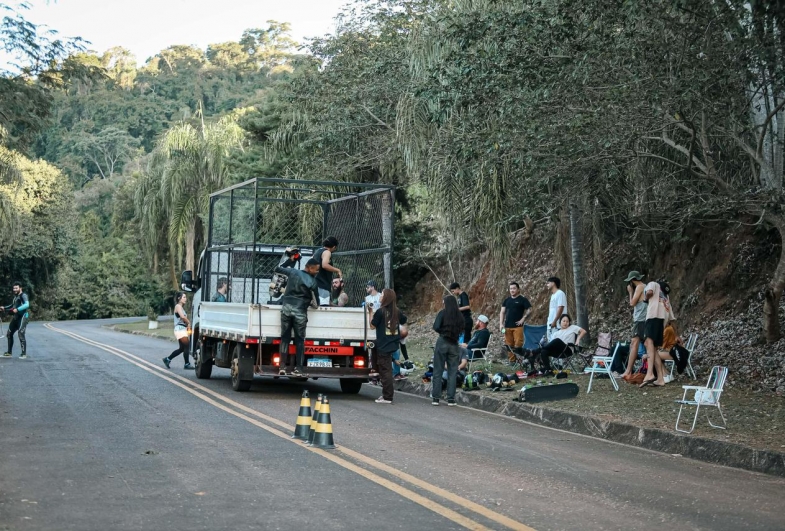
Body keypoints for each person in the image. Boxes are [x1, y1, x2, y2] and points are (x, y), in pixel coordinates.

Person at [275, 249, 320, 376]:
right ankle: (298, 369)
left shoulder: (292, 272)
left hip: (286, 309)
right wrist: (310, 302)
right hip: (300, 312)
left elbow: (278, 268)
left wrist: (290, 260)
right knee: (300, 341)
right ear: (309, 268)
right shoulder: (313, 282)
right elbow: (316, 304)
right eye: (316, 270)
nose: (317, 272)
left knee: (285, 338)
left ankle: (282, 367)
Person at [368, 288, 407, 404]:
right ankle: (385, 393)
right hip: (393, 343)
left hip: (383, 344)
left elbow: (372, 326)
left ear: (386, 298)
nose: (380, 296)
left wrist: (370, 312)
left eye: (382, 295)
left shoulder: (380, 312)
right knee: (386, 368)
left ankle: (387, 397)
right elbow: (404, 320)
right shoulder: (397, 311)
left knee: (385, 371)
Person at [640, 279, 675, 387]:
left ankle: (650, 373)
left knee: (648, 342)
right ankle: (660, 378)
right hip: (662, 322)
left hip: (653, 317)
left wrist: (646, 299)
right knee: (653, 348)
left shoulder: (653, 284)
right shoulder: (666, 299)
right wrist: (677, 335)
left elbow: (649, 292)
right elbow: (672, 319)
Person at [431, 295, 464, 406]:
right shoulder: (459, 315)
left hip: (443, 341)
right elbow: (462, 328)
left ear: (446, 303)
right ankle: (451, 399)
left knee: (438, 370)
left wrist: (443, 331)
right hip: (454, 344)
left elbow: (435, 326)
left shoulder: (442, 313)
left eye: (443, 302)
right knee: (452, 371)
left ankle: (436, 397)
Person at [621, 271, 647, 378]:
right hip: (644, 319)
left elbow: (632, 303)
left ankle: (628, 371)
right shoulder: (645, 286)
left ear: (632, 280)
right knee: (642, 344)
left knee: (634, 344)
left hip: (640, 320)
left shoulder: (640, 287)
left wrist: (630, 292)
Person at [499, 282, 531, 363]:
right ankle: (512, 361)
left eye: (514, 288)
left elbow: (530, 309)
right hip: (507, 326)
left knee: (518, 344)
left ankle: (521, 360)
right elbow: (502, 312)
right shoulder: (507, 300)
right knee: (509, 345)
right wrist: (501, 324)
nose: (512, 290)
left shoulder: (523, 299)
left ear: (518, 289)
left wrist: (523, 318)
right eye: (511, 288)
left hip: (518, 326)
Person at [162, 292, 193, 369]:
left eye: (185, 297)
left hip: (181, 329)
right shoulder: (178, 306)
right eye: (184, 297)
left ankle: (167, 359)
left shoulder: (181, 307)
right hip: (179, 329)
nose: (185, 299)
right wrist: (189, 322)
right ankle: (187, 364)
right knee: (187, 345)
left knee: (182, 348)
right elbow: (182, 317)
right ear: (179, 298)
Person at [1, 281, 30, 359]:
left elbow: (27, 305)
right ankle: (9, 352)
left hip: (23, 317)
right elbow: (12, 306)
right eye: (14, 288)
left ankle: (23, 354)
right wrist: (4, 308)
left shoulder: (23, 295)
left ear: (20, 288)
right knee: (9, 334)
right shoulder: (15, 297)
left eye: (16, 288)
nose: (14, 290)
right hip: (16, 318)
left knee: (21, 333)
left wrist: (17, 309)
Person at [313, 236, 342, 306]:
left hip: (315, 283)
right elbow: (324, 265)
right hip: (322, 285)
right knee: (323, 308)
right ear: (334, 247)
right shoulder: (327, 252)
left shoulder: (317, 251)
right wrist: (337, 270)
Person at [546, 277, 567, 341]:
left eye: (548, 283)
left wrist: (555, 321)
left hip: (557, 325)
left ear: (553, 283)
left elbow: (560, 308)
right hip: (550, 325)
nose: (547, 285)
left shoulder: (560, 293)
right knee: (550, 346)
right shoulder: (553, 295)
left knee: (556, 345)